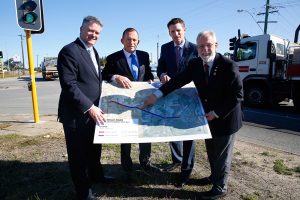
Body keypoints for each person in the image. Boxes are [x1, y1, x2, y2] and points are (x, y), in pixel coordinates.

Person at [142, 31, 243, 199]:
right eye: (201, 46)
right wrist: (157, 95)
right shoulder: (195, 64)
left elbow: (237, 95)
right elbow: (177, 81)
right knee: (212, 152)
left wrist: (217, 113)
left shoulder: (228, 65)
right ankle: (214, 177)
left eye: (208, 45)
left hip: (225, 118)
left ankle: (220, 189)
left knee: (222, 156)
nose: (205, 50)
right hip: (207, 118)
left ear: (216, 45)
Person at [57, 16, 113, 200]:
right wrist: (89, 107)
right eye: (91, 30)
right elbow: (69, 85)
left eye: (97, 33)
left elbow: (95, 77)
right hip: (76, 115)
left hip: (93, 113)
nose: (94, 35)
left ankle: (97, 176)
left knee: (94, 149)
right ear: (81, 29)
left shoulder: (93, 51)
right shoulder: (69, 51)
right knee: (78, 156)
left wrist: (113, 78)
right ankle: (84, 193)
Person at [102, 28, 155, 172]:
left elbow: (148, 72)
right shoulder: (113, 57)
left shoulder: (144, 55)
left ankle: (145, 163)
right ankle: (126, 165)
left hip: (143, 101)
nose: (131, 42)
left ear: (138, 41)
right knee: (125, 134)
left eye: (134, 39)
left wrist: (150, 78)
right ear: (122, 40)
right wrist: (116, 77)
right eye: (128, 39)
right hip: (124, 104)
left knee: (145, 132)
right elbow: (105, 74)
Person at [157, 17, 198, 187]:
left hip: (190, 96)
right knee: (172, 128)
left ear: (185, 30)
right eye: (172, 31)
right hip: (172, 94)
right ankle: (177, 159)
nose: (176, 34)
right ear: (169, 32)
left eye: (178, 30)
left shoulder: (195, 49)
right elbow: (160, 67)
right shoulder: (166, 48)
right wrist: (162, 74)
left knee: (189, 134)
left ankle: (186, 171)